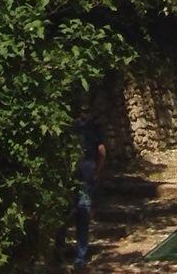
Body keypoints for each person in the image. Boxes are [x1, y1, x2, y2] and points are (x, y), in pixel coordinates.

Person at [68, 114, 106, 267]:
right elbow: (102, 152)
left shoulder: (71, 126)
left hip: (71, 174)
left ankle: (59, 250)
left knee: (66, 212)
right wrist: (97, 172)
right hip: (87, 173)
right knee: (83, 213)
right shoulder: (94, 127)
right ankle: (80, 256)